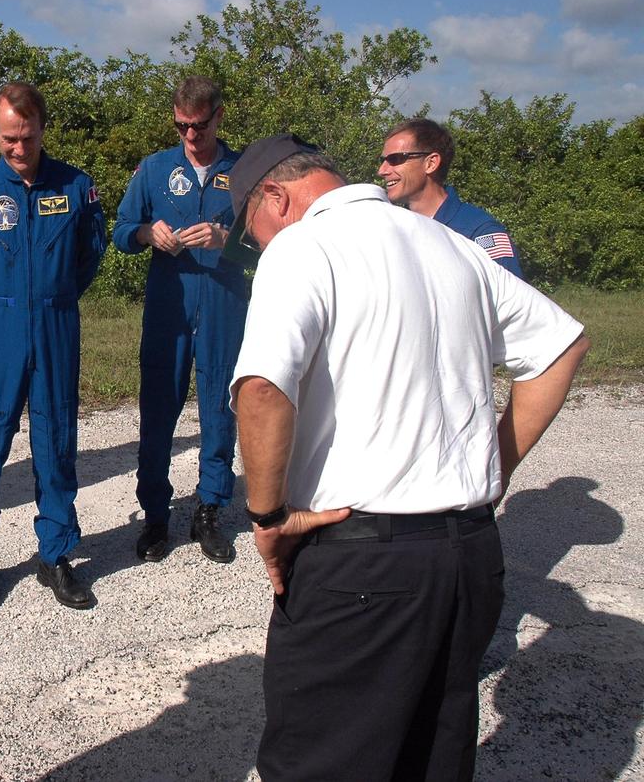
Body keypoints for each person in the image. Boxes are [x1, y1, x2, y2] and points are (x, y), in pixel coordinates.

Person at [225, 134, 589, 781]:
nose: (257, 247)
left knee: (320, 762)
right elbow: (561, 347)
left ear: (276, 197)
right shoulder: (451, 244)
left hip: (361, 564)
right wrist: (493, 470)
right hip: (469, 556)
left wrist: (269, 515)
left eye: (251, 232)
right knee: (432, 757)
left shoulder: (303, 246)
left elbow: (261, 387)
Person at [0, 81, 107, 610]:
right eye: (9, 139)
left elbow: (88, 255)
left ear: (42, 129)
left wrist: (52, 298)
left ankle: (55, 553)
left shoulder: (77, 187)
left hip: (58, 321)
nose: (19, 149)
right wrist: (1, 307)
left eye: (29, 137)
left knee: (57, 438)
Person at [111, 75, 247, 564]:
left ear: (219, 117)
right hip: (169, 307)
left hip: (224, 304)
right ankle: (155, 514)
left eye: (199, 126)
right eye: (182, 125)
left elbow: (273, 239)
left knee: (219, 406)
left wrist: (225, 238)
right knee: (159, 409)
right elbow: (121, 231)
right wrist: (149, 233)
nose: (190, 136)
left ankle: (209, 507)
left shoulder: (246, 170)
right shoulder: (154, 168)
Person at [379, 117, 524, 278]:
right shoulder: (393, 232)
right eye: (383, 160)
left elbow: (511, 301)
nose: (382, 170)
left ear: (431, 163)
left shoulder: (479, 233)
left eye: (395, 159)